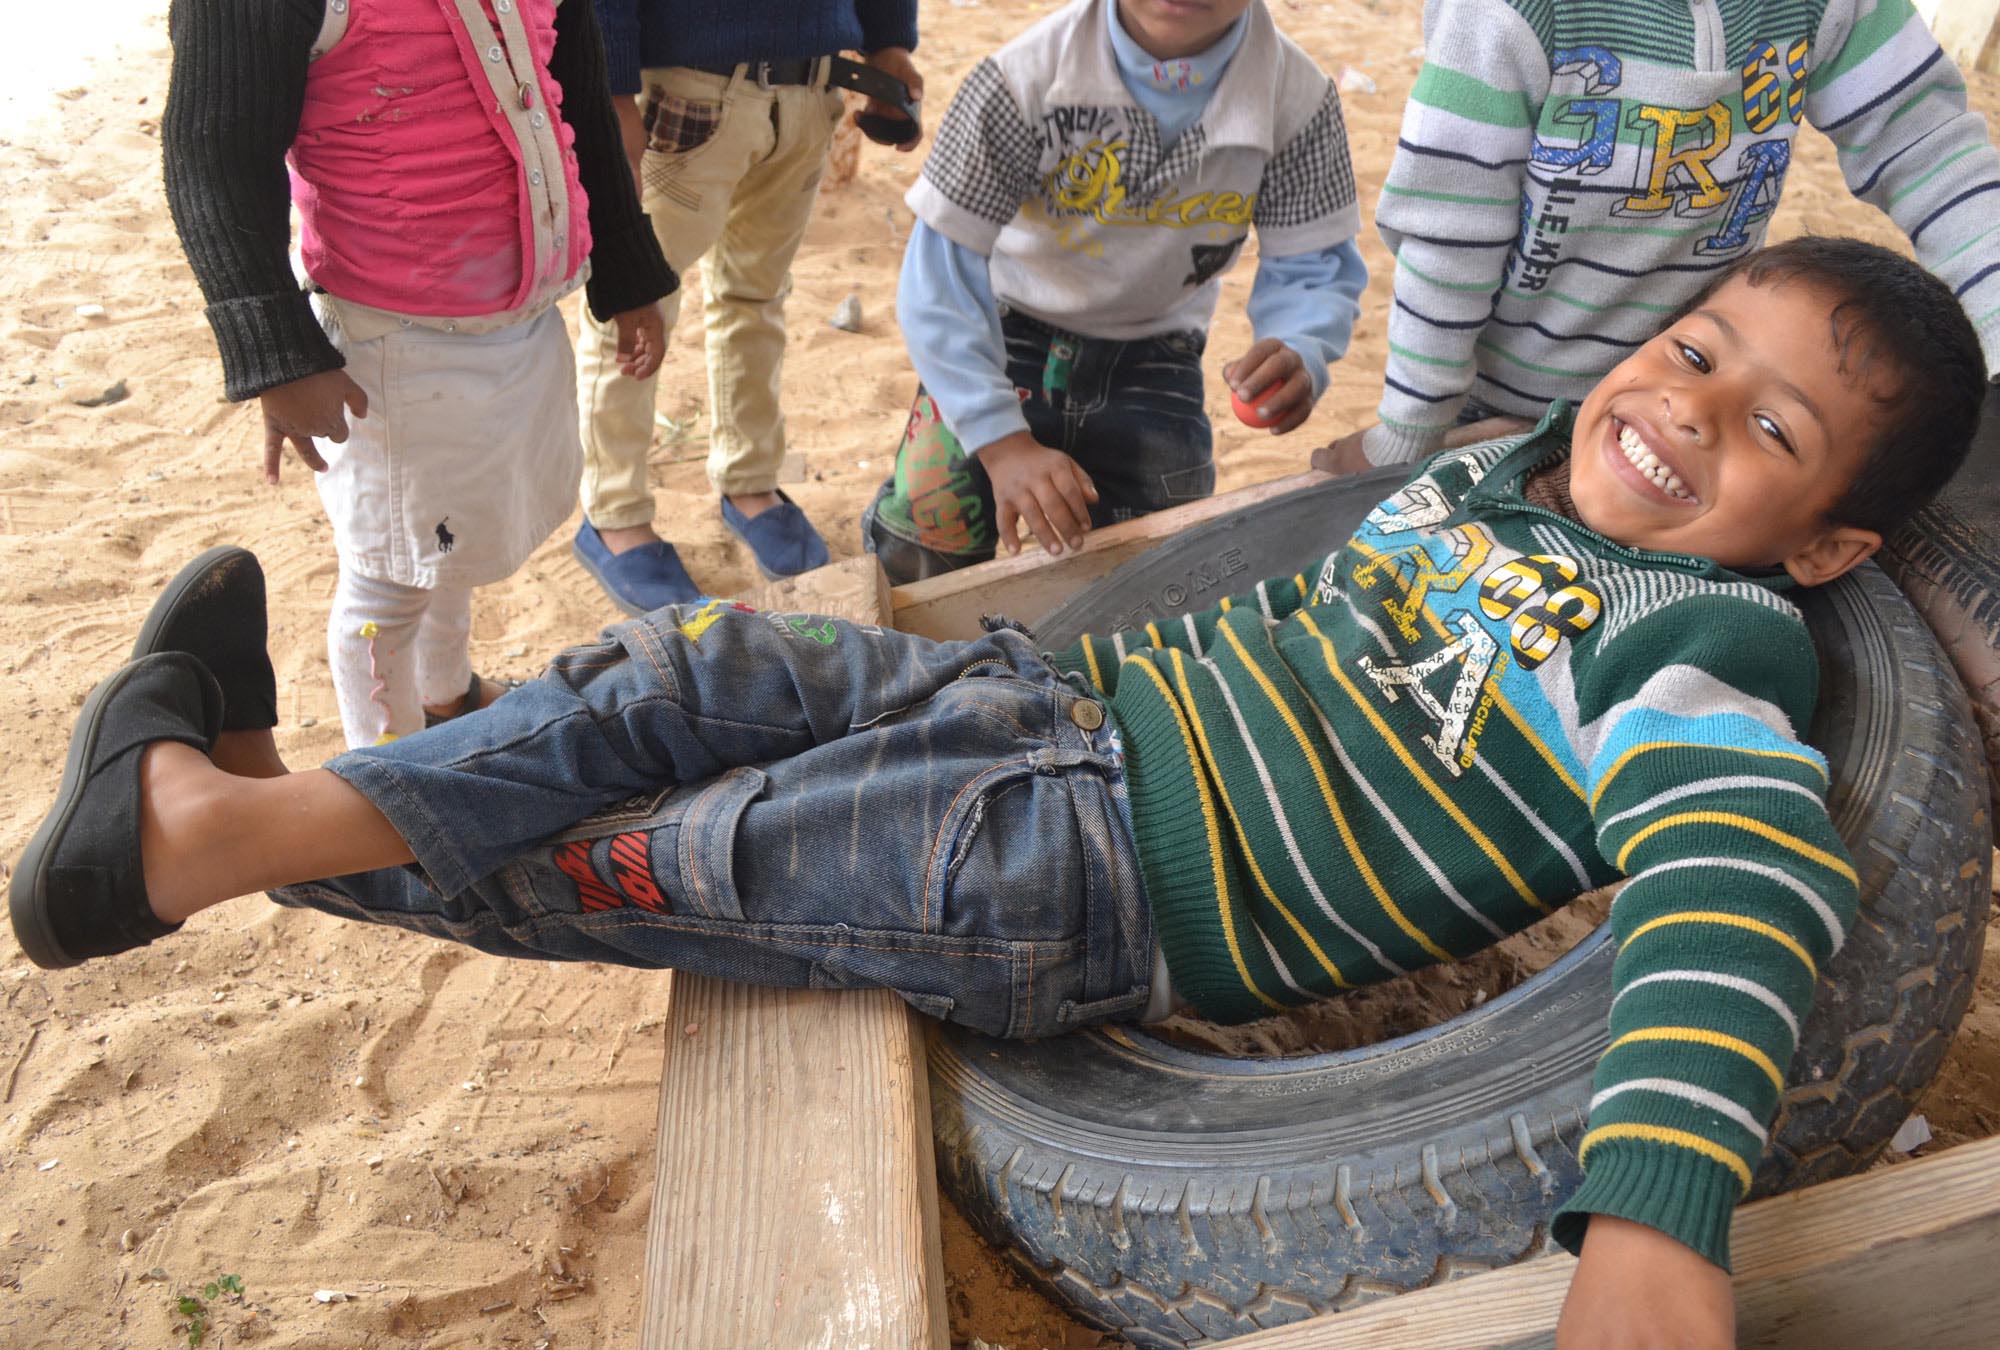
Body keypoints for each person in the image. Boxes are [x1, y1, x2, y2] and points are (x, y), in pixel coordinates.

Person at [11, 238, 1986, 1345]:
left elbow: (1744, 884)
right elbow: (1343, 567)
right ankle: (235, 813)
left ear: (1815, 551)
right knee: (693, 672)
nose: (1686, 411)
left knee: (691, 857)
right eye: (1695, 348)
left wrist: (1655, 1215)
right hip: (1051, 697)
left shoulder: (1700, 646)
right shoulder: (1493, 476)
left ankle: (217, 830)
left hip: (1092, 868)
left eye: (1768, 430)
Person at [162, 0, 677, 746]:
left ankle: (446, 696)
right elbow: (213, 157)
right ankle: (391, 798)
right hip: (390, 346)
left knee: (447, 542)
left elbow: (581, 100)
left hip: (520, 324)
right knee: (388, 586)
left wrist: (628, 270)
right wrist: (276, 351)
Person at [1323, 0, 2000, 472]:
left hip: (1697, 409)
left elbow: (1928, 146)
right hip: (1496, 404)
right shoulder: (1509, 11)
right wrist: (1413, 428)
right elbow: (1451, 228)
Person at [861, 0, 1370, 582]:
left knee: (1165, 573)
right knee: (922, 549)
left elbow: (1311, 264)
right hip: (997, 336)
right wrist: (1000, 443)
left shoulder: (1298, 99)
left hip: (1155, 354)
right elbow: (940, 272)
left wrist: (1300, 346)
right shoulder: (1019, 80)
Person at [569, 0, 924, 613]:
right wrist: (613, 91)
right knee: (635, 301)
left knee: (758, 296)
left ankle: (751, 481)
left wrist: (889, 40)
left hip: (813, 91)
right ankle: (615, 515)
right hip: (689, 95)